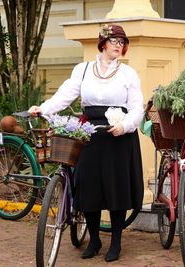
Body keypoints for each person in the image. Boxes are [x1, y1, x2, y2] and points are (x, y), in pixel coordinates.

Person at [28, 24, 144, 262]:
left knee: (115, 189)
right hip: (89, 133)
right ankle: (94, 239)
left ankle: (116, 243)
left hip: (117, 135)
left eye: (122, 42)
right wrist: (43, 108)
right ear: (102, 43)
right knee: (88, 187)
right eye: (114, 41)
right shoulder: (83, 70)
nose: (118, 46)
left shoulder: (128, 74)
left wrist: (125, 126)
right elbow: (65, 94)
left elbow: (136, 108)